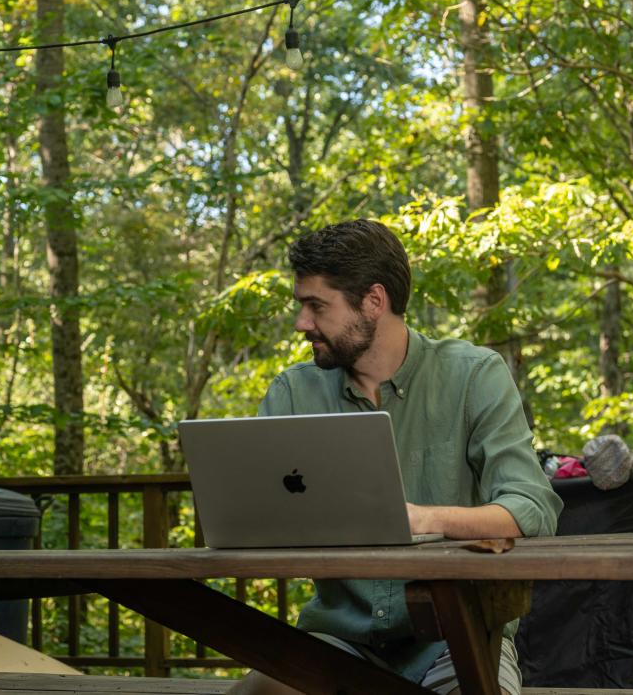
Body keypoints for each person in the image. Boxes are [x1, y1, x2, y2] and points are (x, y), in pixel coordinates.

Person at [229, 219, 562, 695]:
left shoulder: (474, 377)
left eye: (316, 306)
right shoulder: (292, 393)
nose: (302, 322)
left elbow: (531, 509)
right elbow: (251, 515)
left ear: (374, 301)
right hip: (336, 641)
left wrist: (422, 518)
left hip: (459, 640)